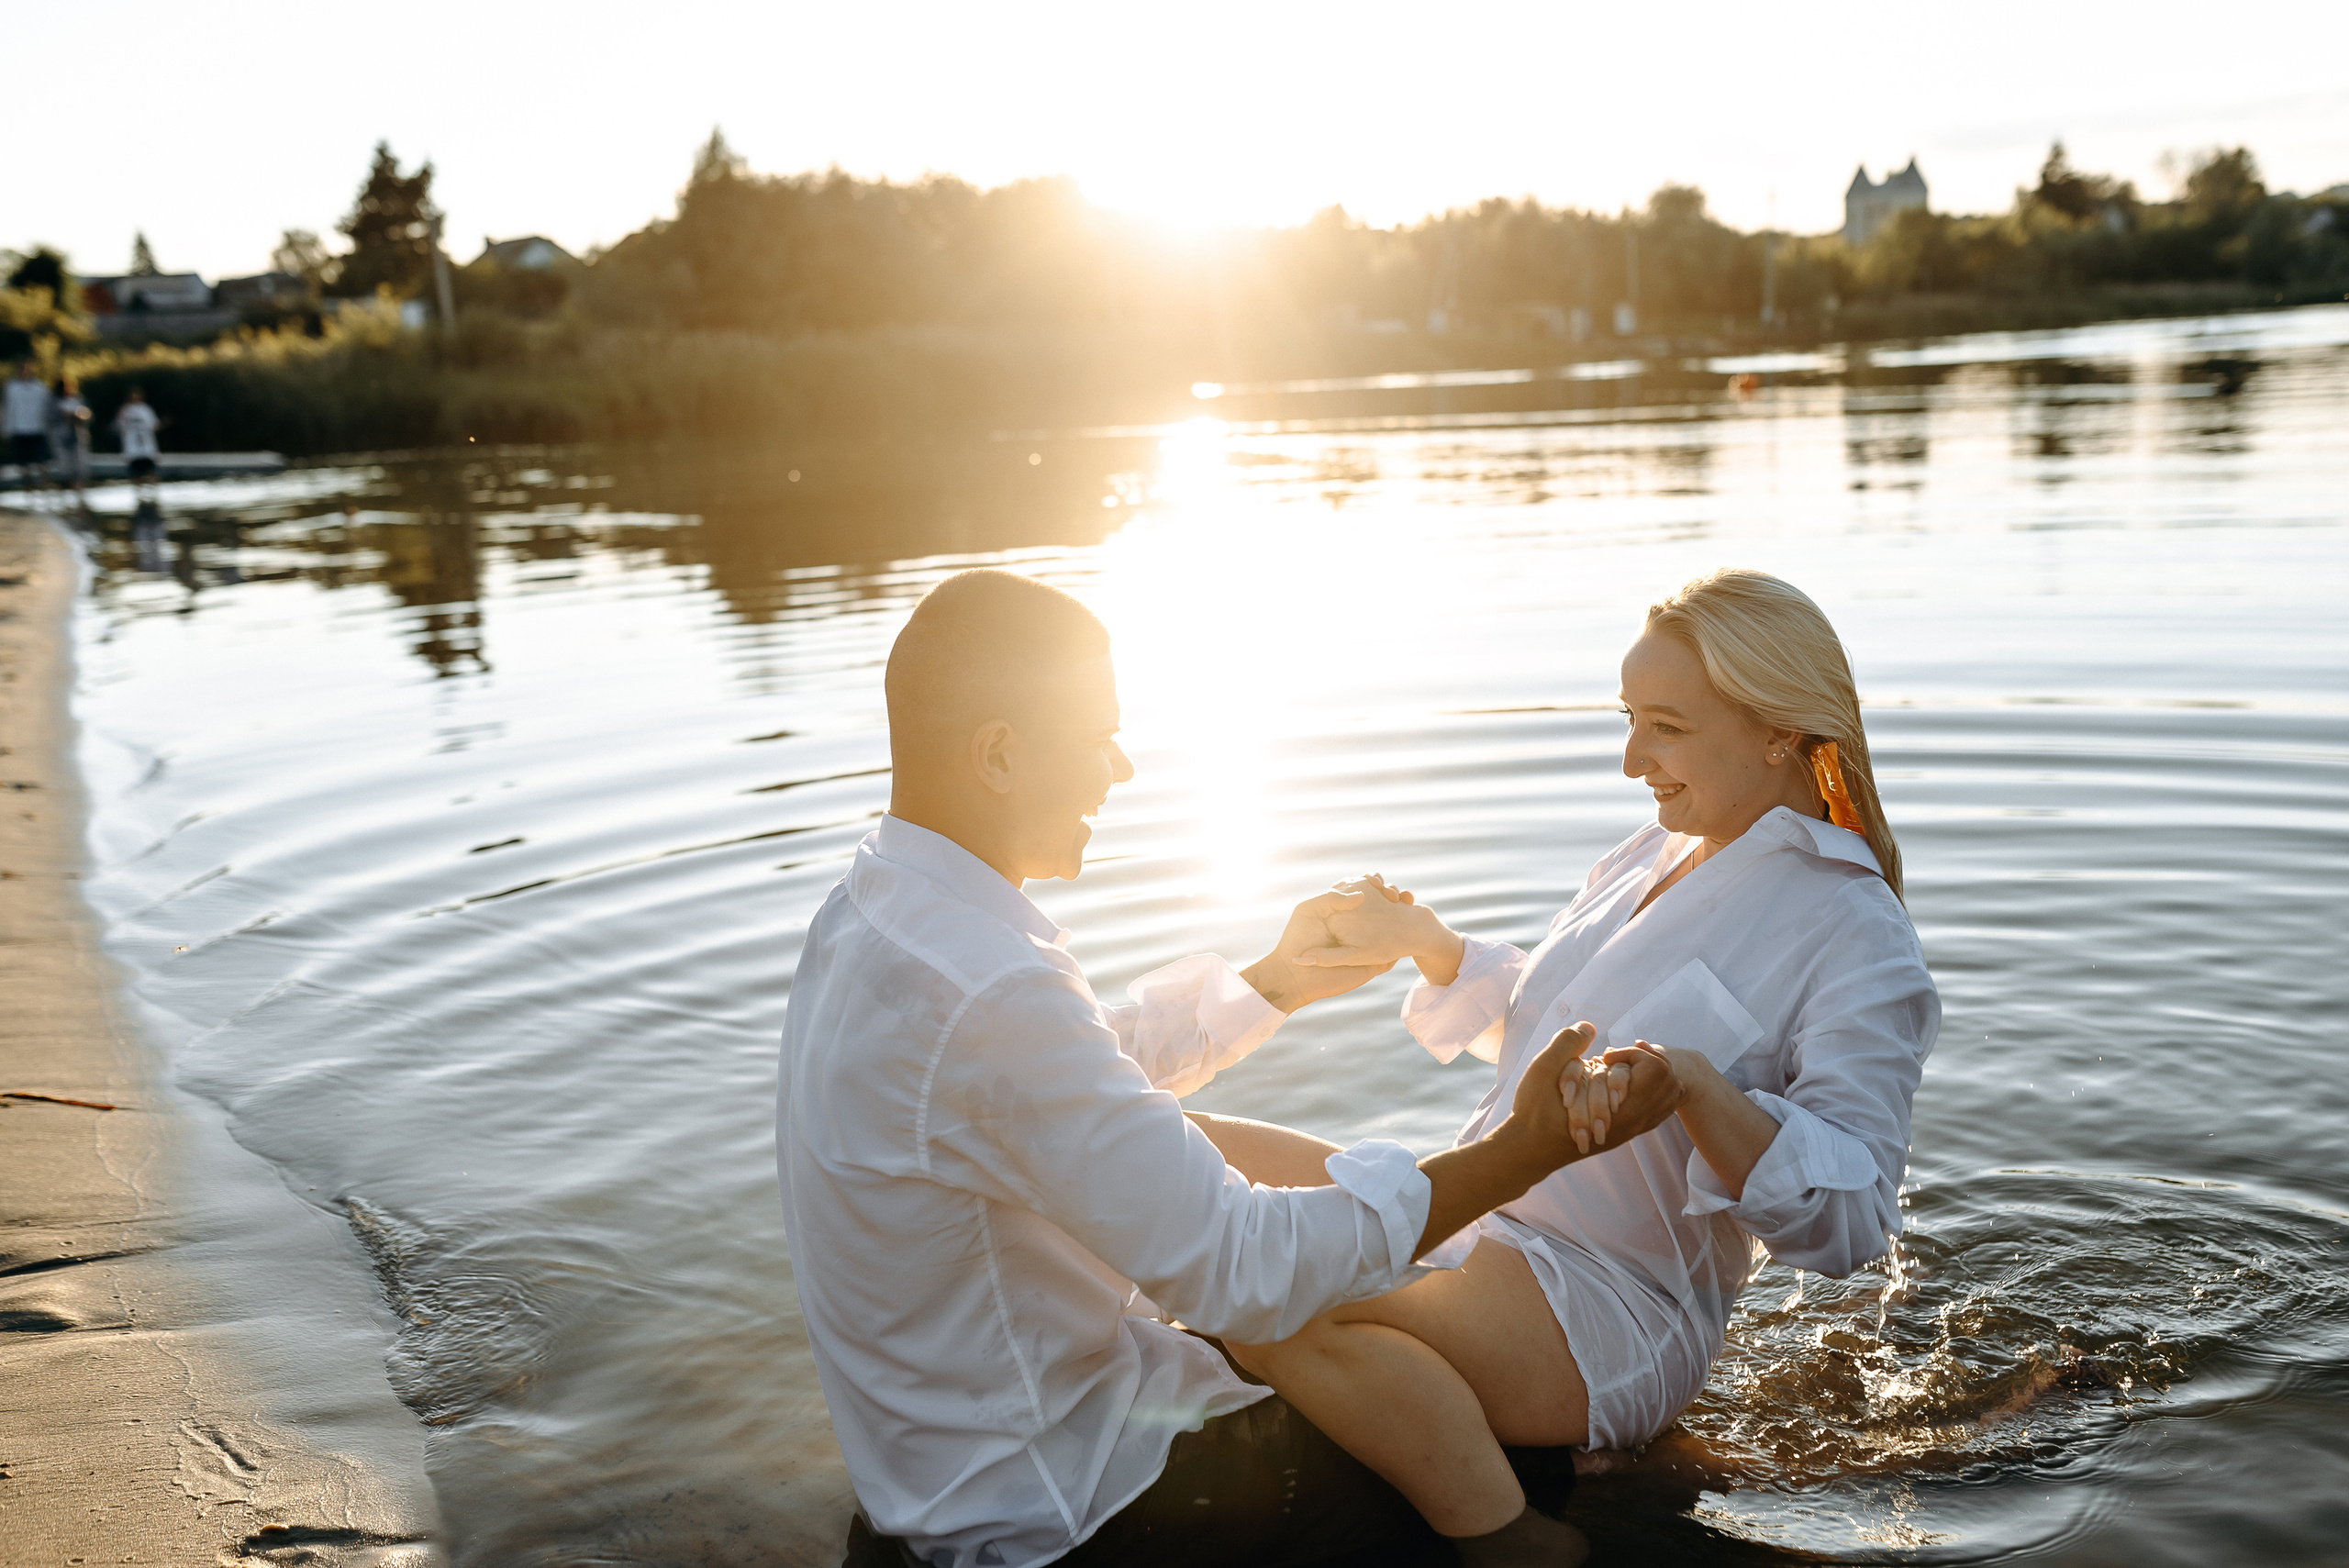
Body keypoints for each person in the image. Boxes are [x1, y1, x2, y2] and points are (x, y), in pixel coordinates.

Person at [778, 569, 1682, 1568]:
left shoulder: (879, 907)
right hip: (1073, 1506)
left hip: (943, 1463)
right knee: (1538, 1456)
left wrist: (1276, 979)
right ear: (997, 753)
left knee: (1363, 1340)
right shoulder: (985, 986)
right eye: (1094, 736)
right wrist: (1518, 1155)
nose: (1118, 768)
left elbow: (1070, 1072)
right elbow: (1241, 1267)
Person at [1236, 568, 1940, 1524]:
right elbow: (1554, 1035)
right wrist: (1429, 945)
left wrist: (1695, 1086)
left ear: (1778, 729)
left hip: (1604, 1311)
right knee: (1170, 1149)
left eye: (1666, 725)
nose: (1628, 758)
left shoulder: (1854, 928)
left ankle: (1509, 1535)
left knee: (1257, 1277)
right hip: (1472, 1210)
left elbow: (1852, 1217)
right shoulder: (1649, 851)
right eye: (1629, 717)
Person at [4, 361, 52, 485]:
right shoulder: (11, 387)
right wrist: (6, 429)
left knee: (42, 461)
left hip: (38, 429)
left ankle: (45, 486)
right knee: (23, 463)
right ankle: (29, 489)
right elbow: (9, 409)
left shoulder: (41, 387)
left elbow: (47, 409)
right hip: (20, 429)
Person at [45, 374, 90, 503]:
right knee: (65, 468)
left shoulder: (77, 398)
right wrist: (63, 415)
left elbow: (87, 414)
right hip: (60, 439)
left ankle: (80, 495)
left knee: (80, 468)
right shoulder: (53, 401)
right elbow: (49, 418)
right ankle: (64, 497)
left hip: (77, 437)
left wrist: (78, 416)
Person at [115, 385, 161, 495]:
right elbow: (120, 427)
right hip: (133, 449)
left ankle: (153, 494)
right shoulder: (125, 410)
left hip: (146, 448)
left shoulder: (146, 409)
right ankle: (138, 495)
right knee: (135, 474)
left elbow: (154, 425)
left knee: (151, 472)